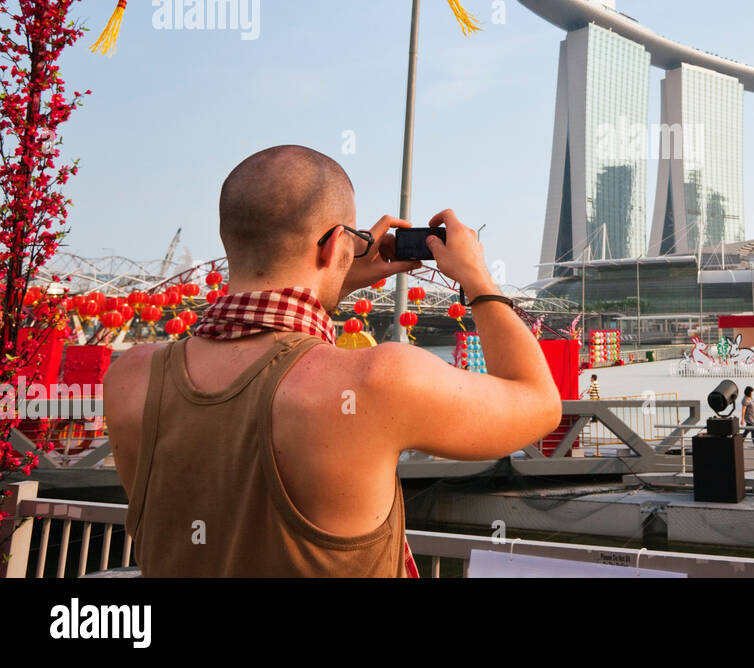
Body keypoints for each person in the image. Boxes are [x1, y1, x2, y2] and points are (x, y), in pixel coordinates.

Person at [103, 146, 562, 578]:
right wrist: (477, 276)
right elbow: (538, 402)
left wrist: (331, 280)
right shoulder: (377, 381)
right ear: (333, 246)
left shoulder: (132, 377)